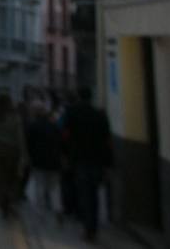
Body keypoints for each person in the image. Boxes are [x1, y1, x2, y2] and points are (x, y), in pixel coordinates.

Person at [63, 86, 114, 243]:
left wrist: (66, 155)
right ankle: (93, 227)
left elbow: (65, 135)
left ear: (79, 96)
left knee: (84, 194)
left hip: (80, 160)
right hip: (97, 161)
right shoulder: (100, 115)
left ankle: (88, 228)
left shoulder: (71, 113)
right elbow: (107, 141)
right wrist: (108, 164)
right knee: (94, 194)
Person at [0, 94, 26, 218]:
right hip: (13, 150)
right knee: (13, 177)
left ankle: (3, 201)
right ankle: (9, 200)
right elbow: (20, 137)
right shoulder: (15, 116)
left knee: (0, 177)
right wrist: (24, 154)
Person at [26, 103, 64, 223]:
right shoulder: (54, 126)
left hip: (39, 161)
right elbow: (61, 142)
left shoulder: (33, 126)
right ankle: (58, 208)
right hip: (54, 161)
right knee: (55, 187)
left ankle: (40, 213)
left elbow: (29, 144)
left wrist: (30, 158)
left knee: (40, 186)